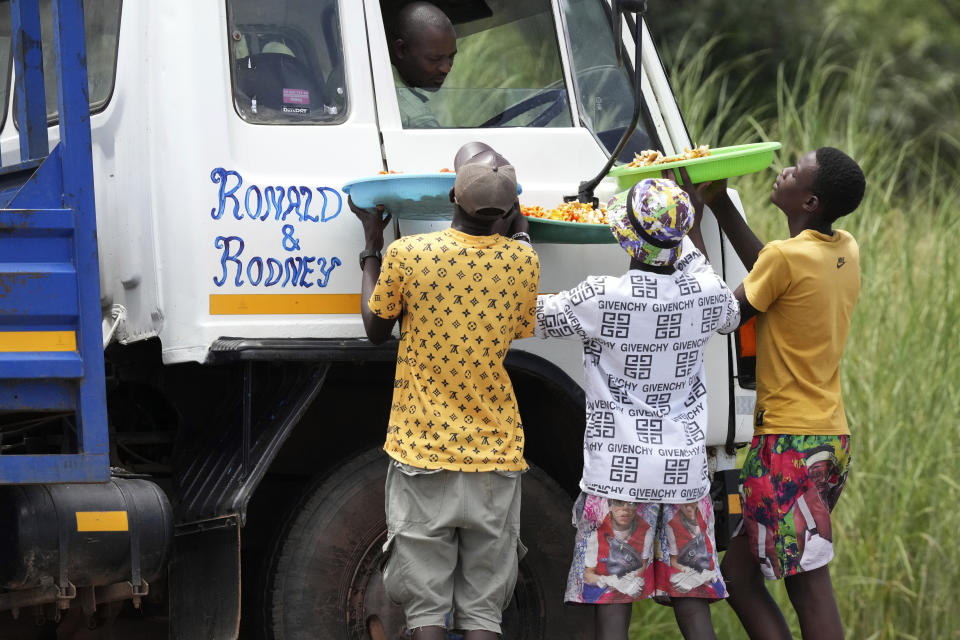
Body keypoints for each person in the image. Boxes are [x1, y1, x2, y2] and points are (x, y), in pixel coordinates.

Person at [534, 171, 740, 640]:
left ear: (626, 237)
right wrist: (687, 228)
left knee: (613, 605)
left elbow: (533, 315)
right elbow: (724, 302)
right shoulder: (706, 295)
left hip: (617, 476)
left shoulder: (601, 297)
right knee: (692, 602)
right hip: (684, 474)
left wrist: (518, 239)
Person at [349, 142, 538, 639]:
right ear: (511, 208)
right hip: (495, 457)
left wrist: (372, 243)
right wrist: (518, 236)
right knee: (483, 612)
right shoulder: (523, 263)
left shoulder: (409, 253)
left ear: (451, 194)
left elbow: (375, 328)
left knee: (426, 612)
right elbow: (519, 323)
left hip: (423, 453)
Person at [699, 147, 865, 640]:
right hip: (829, 440)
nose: (783, 171)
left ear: (809, 200)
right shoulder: (844, 248)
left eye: (795, 170)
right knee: (740, 579)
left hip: (787, 448)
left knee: (808, 588)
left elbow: (725, 315)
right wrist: (723, 206)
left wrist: (690, 226)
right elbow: (776, 277)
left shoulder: (786, 258)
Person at [389, 1, 458, 128]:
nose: (446, 68)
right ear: (402, 49)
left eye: (451, 56)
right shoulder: (415, 118)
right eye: (434, 58)